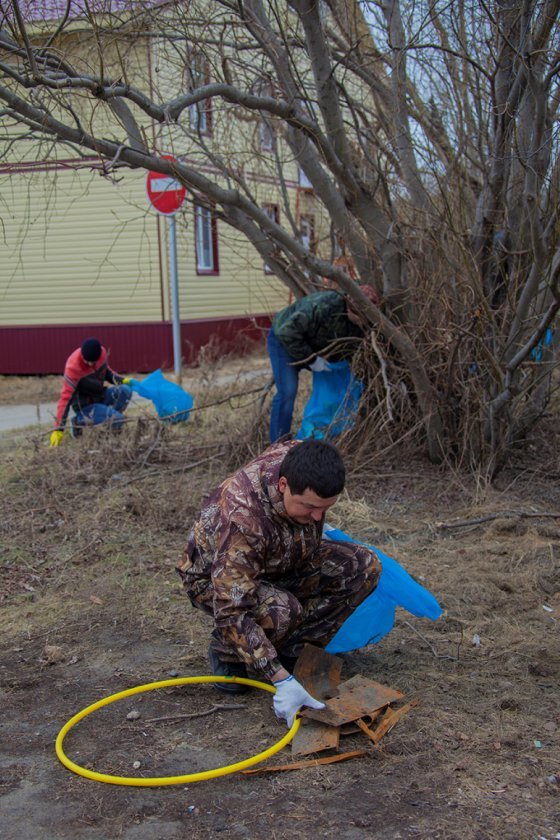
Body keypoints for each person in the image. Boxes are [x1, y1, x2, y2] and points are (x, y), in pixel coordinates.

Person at [177, 438, 382, 727]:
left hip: (280, 557)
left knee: (363, 565)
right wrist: (279, 679)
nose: (317, 517)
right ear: (284, 485)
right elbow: (231, 609)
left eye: (325, 508)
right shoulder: (244, 519)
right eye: (310, 507)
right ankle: (228, 651)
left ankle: (294, 652)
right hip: (214, 580)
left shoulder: (301, 460)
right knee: (283, 611)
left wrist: (310, 521)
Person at [267, 286, 379, 442]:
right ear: (350, 307)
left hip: (316, 350)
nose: (361, 322)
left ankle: (324, 433)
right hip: (283, 342)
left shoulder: (365, 322)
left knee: (336, 387)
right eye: (359, 317)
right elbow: (287, 331)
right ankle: (277, 444)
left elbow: (350, 353)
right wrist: (312, 360)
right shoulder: (324, 305)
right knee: (288, 391)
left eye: (365, 319)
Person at [49, 337, 132, 446]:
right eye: (87, 361)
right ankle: (79, 421)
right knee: (117, 419)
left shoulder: (101, 353)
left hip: (100, 396)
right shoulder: (73, 368)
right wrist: (58, 428)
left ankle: (110, 424)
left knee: (126, 390)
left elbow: (107, 373)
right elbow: (65, 399)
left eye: (93, 362)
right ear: (82, 355)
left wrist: (122, 380)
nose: (90, 364)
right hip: (85, 406)